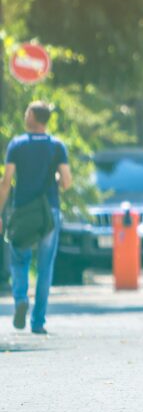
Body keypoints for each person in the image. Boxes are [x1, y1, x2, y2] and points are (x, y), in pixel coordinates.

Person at [0, 101, 72, 335]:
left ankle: (21, 299)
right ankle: (38, 321)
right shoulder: (57, 146)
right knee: (45, 267)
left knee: (19, 259)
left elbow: (6, 183)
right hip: (48, 212)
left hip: (22, 212)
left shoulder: (17, 145)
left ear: (31, 116)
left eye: (26, 112)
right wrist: (56, 180)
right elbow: (67, 182)